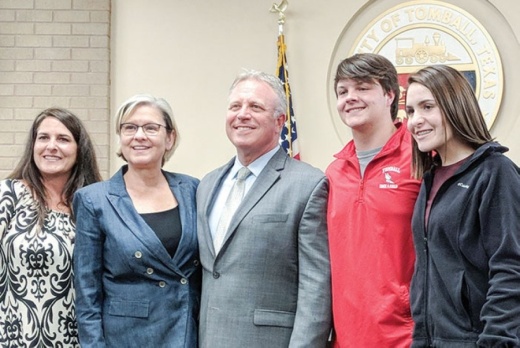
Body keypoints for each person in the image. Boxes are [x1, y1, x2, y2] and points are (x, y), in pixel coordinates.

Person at [197, 70, 331, 347]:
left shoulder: (308, 184)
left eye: (255, 107)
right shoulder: (207, 185)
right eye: (235, 106)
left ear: (279, 120)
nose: (242, 114)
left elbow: (315, 286)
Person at [405, 65, 520, 346]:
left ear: (455, 106)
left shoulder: (495, 172)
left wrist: (497, 341)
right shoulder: (431, 180)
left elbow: (510, 268)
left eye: (427, 107)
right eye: (409, 111)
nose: (415, 120)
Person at [73, 94, 200, 347]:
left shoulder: (193, 189)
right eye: (129, 127)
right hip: (126, 338)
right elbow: (87, 291)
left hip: (186, 332)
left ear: (170, 138)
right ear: (121, 138)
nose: (139, 135)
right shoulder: (94, 200)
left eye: (151, 128)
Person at [326, 53, 421, 347]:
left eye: (363, 87)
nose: (350, 98)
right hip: (346, 338)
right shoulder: (334, 172)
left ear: (390, 94)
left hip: (406, 336)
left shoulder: (422, 160)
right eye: (343, 91)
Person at [0, 107, 102, 347]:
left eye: (63, 139)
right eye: (43, 137)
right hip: (14, 339)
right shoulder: (8, 195)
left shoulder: (94, 203)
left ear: (79, 150)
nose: (51, 146)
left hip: (78, 340)